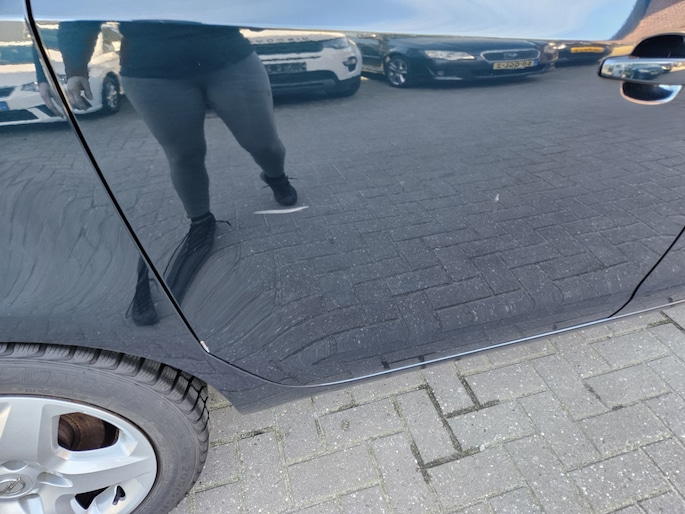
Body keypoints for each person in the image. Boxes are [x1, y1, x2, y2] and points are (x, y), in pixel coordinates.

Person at [55, 21, 298, 321]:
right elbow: (79, 15)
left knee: (264, 144)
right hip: (151, 70)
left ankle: (276, 177)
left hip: (228, 58)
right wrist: (75, 69)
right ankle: (200, 222)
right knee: (184, 155)